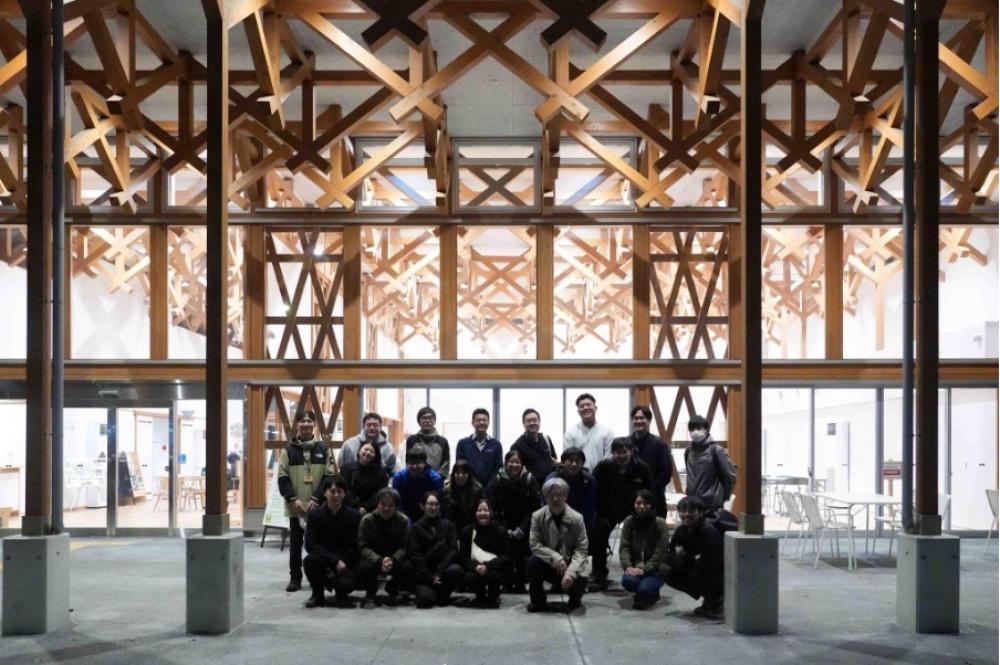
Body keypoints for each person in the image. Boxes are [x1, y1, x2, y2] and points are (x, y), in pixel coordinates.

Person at [277, 410, 336, 592]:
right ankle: (295, 578)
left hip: (319, 507)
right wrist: (293, 499)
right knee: (295, 544)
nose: (305, 424)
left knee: (320, 544)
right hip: (296, 507)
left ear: (314, 424)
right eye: (302, 421)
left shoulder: (324, 449)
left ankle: (319, 576)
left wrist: (316, 498)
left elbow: (329, 477)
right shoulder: (288, 450)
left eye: (309, 421)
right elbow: (282, 477)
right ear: (297, 425)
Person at [590, 438, 654, 590]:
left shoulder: (642, 468)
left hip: (634, 509)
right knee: (599, 534)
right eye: (617, 452)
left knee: (639, 537)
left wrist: (645, 511)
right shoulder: (603, 467)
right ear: (612, 453)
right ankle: (599, 573)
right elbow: (594, 490)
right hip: (607, 509)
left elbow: (649, 492)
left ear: (631, 451)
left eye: (624, 452)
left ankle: (641, 571)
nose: (621, 456)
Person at [527, 477, 590, 613]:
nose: (555, 499)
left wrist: (571, 572)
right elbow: (534, 544)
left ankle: (575, 600)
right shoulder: (537, 516)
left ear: (566, 496)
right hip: (549, 563)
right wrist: (556, 558)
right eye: (551, 495)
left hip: (570, 563)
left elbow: (581, 550)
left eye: (559, 495)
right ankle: (537, 601)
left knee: (583, 568)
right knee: (532, 562)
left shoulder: (577, 518)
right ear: (545, 497)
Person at [486, 450, 542, 592]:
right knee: (506, 554)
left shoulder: (529, 480)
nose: (514, 465)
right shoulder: (497, 479)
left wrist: (522, 528)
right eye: (511, 462)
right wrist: (503, 528)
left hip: (525, 525)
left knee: (522, 555)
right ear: (506, 463)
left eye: (517, 462)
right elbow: (492, 506)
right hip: (503, 524)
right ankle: (506, 583)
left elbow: (535, 508)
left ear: (522, 464)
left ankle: (520, 584)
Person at [303, 475, 362, 608]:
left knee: (346, 584)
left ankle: (341, 593)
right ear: (324, 493)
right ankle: (317, 595)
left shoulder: (354, 516)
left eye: (339, 491)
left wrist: (342, 562)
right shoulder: (314, 516)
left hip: (346, 562)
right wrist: (335, 561)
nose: (335, 495)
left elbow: (355, 545)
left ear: (344, 494)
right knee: (310, 561)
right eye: (332, 491)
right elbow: (310, 545)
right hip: (324, 559)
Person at [665, 496, 724, 618]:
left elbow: (710, 563)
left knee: (695, 576)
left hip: (714, 574)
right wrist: (683, 559)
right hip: (694, 566)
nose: (687, 514)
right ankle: (709, 600)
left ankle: (716, 600)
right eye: (683, 511)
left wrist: (685, 558)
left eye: (691, 511)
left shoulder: (708, 531)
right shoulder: (681, 530)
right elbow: (671, 552)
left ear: (700, 513)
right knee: (665, 571)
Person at [357, 488, 414, 605]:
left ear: (396, 506)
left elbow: (404, 547)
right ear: (377, 504)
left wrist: (392, 559)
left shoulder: (403, 521)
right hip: (374, 559)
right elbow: (363, 547)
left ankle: (393, 588)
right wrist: (379, 560)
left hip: (394, 559)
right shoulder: (367, 520)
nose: (386, 508)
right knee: (363, 566)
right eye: (383, 504)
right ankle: (370, 593)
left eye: (391, 505)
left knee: (408, 566)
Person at [408, 492, 464, 608]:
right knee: (425, 601)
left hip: (444, 570)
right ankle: (434, 594)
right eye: (430, 504)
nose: (433, 507)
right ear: (422, 506)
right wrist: (430, 577)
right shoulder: (416, 528)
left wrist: (439, 572)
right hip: (425, 574)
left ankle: (441, 595)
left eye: (436, 504)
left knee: (456, 570)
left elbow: (453, 549)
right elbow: (416, 556)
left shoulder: (448, 525)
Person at [619, 489, 670, 610]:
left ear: (652, 505)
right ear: (633, 504)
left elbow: (661, 551)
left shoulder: (660, 523)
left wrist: (645, 569)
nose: (641, 506)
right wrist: (628, 566)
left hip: (656, 569)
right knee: (628, 581)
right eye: (638, 503)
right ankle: (646, 593)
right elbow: (624, 547)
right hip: (636, 567)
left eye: (646, 503)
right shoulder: (629, 522)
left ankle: (648, 592)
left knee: (644, 589)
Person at [458, 498, 511, 608]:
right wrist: (475, 567)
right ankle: (480, 596)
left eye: (485, 510)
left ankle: (493, 597)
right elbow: (463, 557)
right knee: (470, 577)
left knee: (493, 576)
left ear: (491, 512)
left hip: (494, 568)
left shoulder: (500, 531)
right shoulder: (467, 531)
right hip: (475, 568)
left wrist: (487, 566)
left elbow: (506, 556)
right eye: (479, 510)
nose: (482, 513)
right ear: (475, 513)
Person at [312, 440, 389, 514]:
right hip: (348, 508)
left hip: (371, 510)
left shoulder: (381, 472)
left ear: (376, 455)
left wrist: (365, 507)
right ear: (359, 451)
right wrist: (358, 507)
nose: (368, 453)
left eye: (372, 451)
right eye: (366, 449)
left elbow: (379, 493)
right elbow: (344, 488)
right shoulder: (346, 468)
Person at [684, 414, 737, 516]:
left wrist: (724, 497)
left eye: (698, 428)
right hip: (692, 504)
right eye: (692, 429)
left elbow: (730, 476)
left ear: (706, 429)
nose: (695, 431)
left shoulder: (716, 450)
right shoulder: (688, 451)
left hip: (711, 505)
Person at [628, 405, 674, 518]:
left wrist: (649, 490)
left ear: (649, 420)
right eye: (635, 418)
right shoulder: (627, 443)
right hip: (630, 498)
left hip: (654, 498)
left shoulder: (659, 444)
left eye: (642, 418)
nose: (638, 421)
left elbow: (666, 473)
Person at [546, 447, 597, 532]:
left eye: (578, 461)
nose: (574, 464)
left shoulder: (589, 480)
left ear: (582, 464)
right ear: (563, 462)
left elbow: (590, 508)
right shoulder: (552, 479)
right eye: (571, 460)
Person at [392, 445, 445, 522]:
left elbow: (436, 504)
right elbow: (397, 502)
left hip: (428, 516)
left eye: (417, 463)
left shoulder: (435, 479)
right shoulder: (399, 477)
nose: (414, 466)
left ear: (424, 463)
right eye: (411, 463)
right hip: (404, 517)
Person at [563, 393, 614, 471]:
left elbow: (609, 457)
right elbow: (568, 458)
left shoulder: (607, 432)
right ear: (578, 411)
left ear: (595, 408)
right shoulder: (570, 434)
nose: (585, 408)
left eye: (588, 405)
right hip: (577, 474)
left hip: (602, 474)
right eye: (582, 406)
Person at [455, 408, 503, 488]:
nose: (482, 422)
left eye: (484, 420)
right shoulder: (463, 444)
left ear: (488, 423)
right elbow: (460, 468)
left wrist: (489, 488)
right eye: (478, 420)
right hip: (468, 489)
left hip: (490, 490)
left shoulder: (496, 445)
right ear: (473, 423)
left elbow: (498, 470)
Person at [509, 408, 559, 484]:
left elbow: (553, 461)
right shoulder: (517, 446)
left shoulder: (546, 439)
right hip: (530, 488)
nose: (532, 423)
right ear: (523, 424)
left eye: (535, 420)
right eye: (528, 421)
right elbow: (515, 472)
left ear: (539, 422)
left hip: (549, 486)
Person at [405, 406, 451, 475]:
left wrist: (435, 478)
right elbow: (408, 463)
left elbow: (445, 465)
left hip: (436, 480)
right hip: (416, 479)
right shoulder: (411, 440)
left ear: (435, 421)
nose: (427, 421)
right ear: (418, 421)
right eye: (424, 418)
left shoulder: (443, 441)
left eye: (430, 418)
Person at [443, 459, 484, 535]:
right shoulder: (447, 489)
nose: (460, 476)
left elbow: (480, 512)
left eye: (464, 473)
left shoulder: (477, 489)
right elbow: (445, 514)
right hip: (453, 530)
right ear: (453, 474)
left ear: (469, 474)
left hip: (473, 529)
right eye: (457, 473)